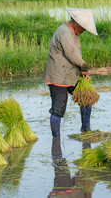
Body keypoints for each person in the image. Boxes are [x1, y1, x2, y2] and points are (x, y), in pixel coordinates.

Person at [43, 7, 98, 137]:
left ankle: (86, 130)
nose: (84, 31)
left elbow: (74, 56)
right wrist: (84, 67)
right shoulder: (65, 32)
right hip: (59, 77)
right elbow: (72, 54)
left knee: (86, 98)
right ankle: (56, 139)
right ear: (78, 23)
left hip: (70, 74)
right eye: (84, 28)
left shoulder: (73, 32)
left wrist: (81, 72)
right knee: (58, 109)